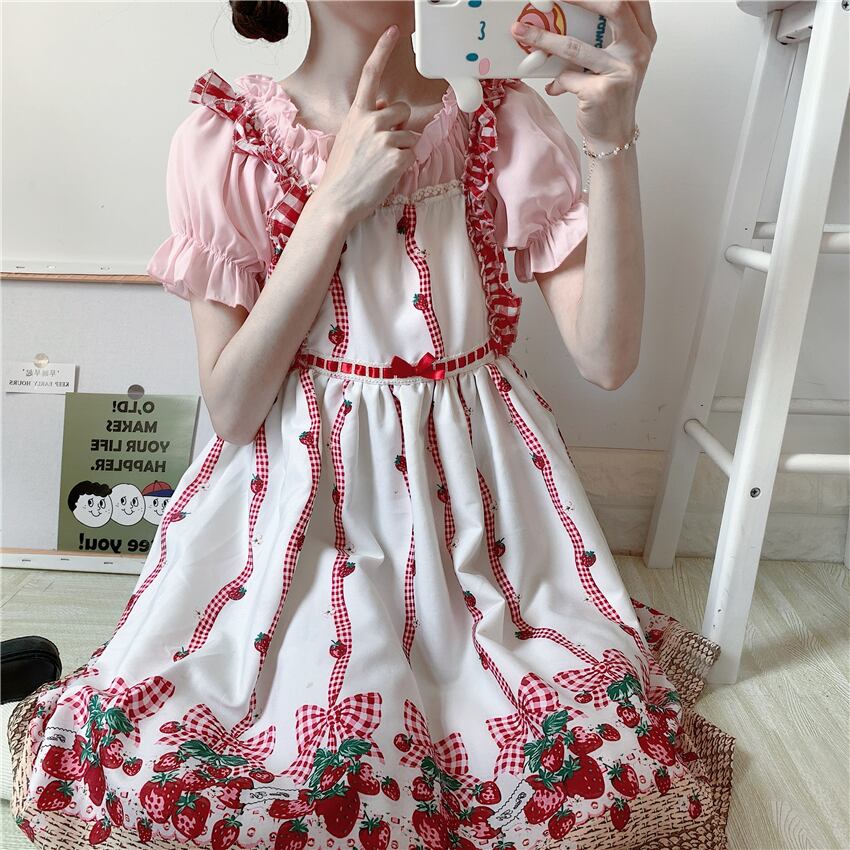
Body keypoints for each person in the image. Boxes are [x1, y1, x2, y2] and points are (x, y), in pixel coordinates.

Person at [7, 1, 736, 847]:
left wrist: (612, 138)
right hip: (305, 510)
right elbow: (233, 408)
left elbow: (607, 360)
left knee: (577, 758)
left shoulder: (501, 122)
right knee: (250, 751)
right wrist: (331, 204)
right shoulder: (228, 141)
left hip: (484, 513)